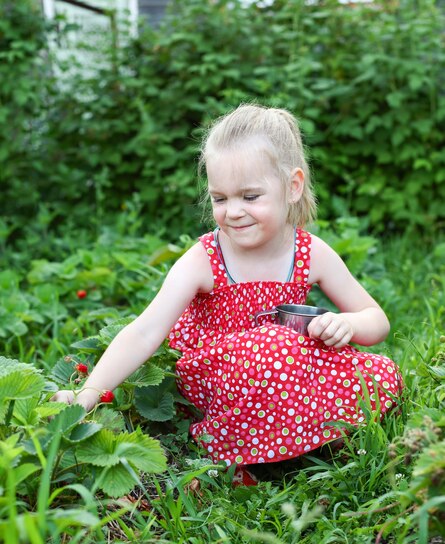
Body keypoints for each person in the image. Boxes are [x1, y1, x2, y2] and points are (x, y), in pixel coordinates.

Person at [52, 103, 402, 484]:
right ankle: (244, 458)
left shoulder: (310, 251)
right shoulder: (205, 258)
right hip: (223, 383)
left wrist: (345, 323)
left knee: (378, 373)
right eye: (220, 198)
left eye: (250, 197)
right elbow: (145, 331)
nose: (234, 211)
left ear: (292, 186)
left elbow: (376, 321)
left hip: (289, 376)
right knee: (274, 347)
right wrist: (89, 394)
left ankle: (307, 438)